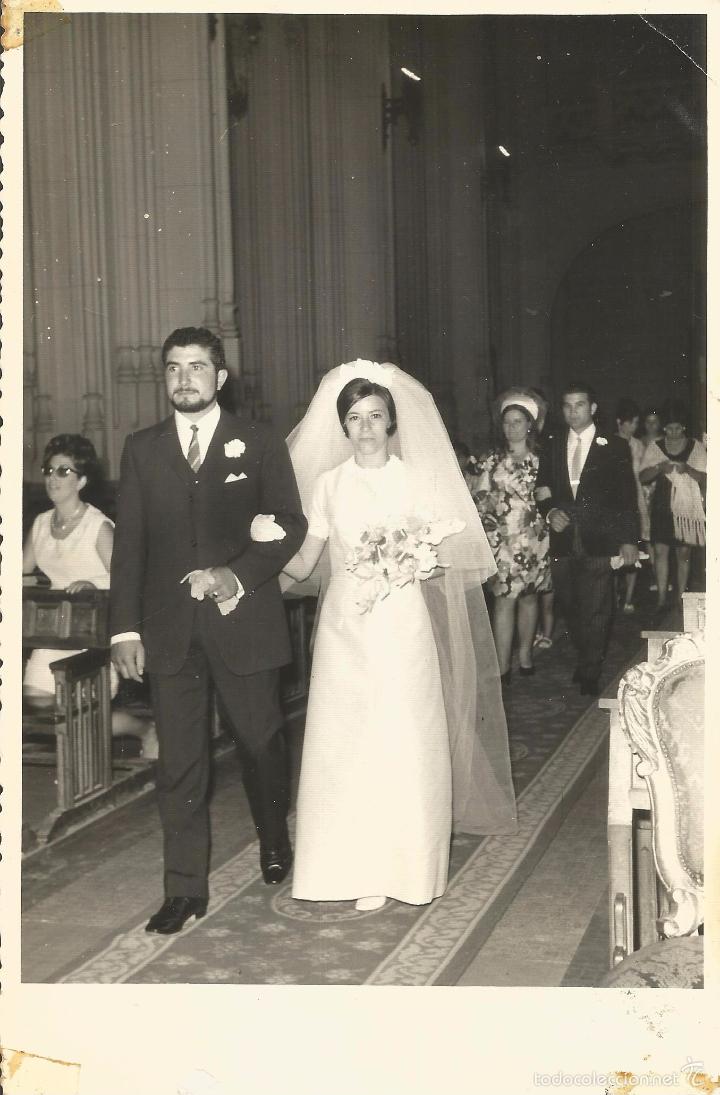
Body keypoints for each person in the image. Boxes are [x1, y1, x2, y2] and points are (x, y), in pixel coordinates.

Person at [282, 360, 517, 911]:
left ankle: (402, 868)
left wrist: (412, 561)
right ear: (342, 426)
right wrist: (258, 557)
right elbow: (305, 561)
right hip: (345, 627)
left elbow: (445, 560)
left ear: (392, 423)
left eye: (376, 416)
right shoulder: (328, 484)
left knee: (401, 736)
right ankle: (339, 866)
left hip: (402, 621)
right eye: (355, 417)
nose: (365, 427)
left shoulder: (415, 479)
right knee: (344, 742)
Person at [110, 326, 307, 935]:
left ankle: (273, 836)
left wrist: (237, 576)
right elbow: (131, 550)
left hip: (243, 625)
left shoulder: (258, 442)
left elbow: (289, 525)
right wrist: (123, 633)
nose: (185, 378)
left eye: (197, 367)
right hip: (170, 634)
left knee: (261, 744)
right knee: (180, 763)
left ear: (220, 378)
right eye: (173, 368)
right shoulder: (142, 449)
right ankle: (184, 888)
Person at [22, 435, 158, 755]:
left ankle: (144, 729)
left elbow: (130, 580)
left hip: (96, 629)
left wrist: (93, 587)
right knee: (37, 700)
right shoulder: (42, 523)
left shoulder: (98, 527)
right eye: (49, 470)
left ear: (81, 480)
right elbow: (21, 570)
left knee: (81, 714)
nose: (52, 479)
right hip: (54, 630)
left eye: (63, 472)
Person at [535, 382, 639, 696]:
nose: (573, 411)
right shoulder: (552, 443)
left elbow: (626, 498)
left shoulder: (615, 446)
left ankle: (591, 667)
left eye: (580, 405)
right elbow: (542, 488)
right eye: (567, 406)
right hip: (565, 538)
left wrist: (629, 540)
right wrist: (550, 511)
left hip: (601, 538)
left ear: (592, 408)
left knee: (596, 606)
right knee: (569, 605)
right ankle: (586, 654)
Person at [471, 388, 550, 682]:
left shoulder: (542, 459)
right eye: (507, 422)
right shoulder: (491, 460)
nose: (511, 427)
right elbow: (479, 498)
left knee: (529, 597)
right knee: (504, 599)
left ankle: (526, 656)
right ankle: (502, 664)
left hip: (535, 538)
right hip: (502, 539)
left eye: (518, 421)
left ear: (529, 424)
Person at [639, 398, 706, 615]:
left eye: (678, 428)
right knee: (660, 551)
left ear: (684, 427)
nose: (674, 432)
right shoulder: (655, 447)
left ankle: (679, 600)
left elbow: (704, 477)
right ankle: (660, 599)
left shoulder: (695, 446)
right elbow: (643, 477)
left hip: (686, 506)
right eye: (669, 428)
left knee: (683, 553)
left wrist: (686, 469)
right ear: (664, 427)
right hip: (662, 504)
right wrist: (660, 468)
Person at [614, 398, 650, 613]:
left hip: (636, 500)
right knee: (613, 551)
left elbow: (643, 474)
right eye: (632, 422)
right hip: (614, 501)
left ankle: (628, 598)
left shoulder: (638, 445)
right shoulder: (606, 442)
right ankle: (613, 596)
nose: (635, 427)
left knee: (633, 549)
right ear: (620, 422)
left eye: (637, 423)